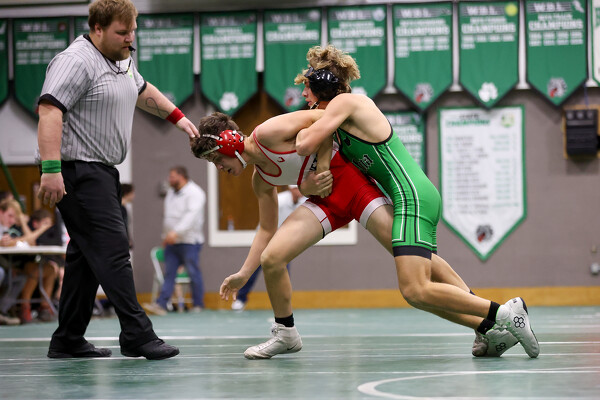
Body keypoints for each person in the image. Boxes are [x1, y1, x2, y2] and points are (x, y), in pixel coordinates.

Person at [191, 111, 507, 360]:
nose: (218, 167)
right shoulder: (261, 180)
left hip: (351, 185)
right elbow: (266, 229)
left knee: (414, 257)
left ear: (230, 142)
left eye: (217, 159)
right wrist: (244, 273)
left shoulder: (268, 133)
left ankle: (486, 319)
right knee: (272, 258)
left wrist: (320, 169)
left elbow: (325, 119)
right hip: (324, 202)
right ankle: (285, 333)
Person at [294, 45, 538, 358]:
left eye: (307, 86)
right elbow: (321, 170)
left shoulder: (345, 103)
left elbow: (304, 144)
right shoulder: (337, 120)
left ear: (322, 85)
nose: (303, 95)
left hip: (412, 197)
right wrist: (310, 179)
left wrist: (302, 122)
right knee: (426, 282)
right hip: (413, 196)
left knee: (414, 289)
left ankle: (506, 314)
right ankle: (488, 327)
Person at [35, 0, 197, 359]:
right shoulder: (75, 61)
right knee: (112, 250)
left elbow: (142, 90)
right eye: (122, 32)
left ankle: (68, 339)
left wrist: (179, 118)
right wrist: (51, 169)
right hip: (77, 170)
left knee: (86, 257)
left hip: (103, 171)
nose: (130, 38)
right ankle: (137, 334)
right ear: (97, 29)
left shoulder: (122, 58)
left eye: (133, 31)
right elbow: (49, 110)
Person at [231, 185, 306, 311]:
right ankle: (240, 299)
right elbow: (265, 226)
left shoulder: (304, 203)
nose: (300, 191)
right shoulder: (279, 200)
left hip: (284, 245)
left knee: (283, 274)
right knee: (252, 270)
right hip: (266, 242)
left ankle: (282, 305)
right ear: (290, 189)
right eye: (296, 188)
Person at [143, 166, 206, 315]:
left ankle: (198, 304)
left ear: (181, 176)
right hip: (172, 241)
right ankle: (161, 304)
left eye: (172, 176)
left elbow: (191, 216)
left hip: (189, 241)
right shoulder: (171, 192)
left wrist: (176, 232)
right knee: (169, 273)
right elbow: (169, 216)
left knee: (193, 272)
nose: (169, 179)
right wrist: (166, 236)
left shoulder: (195, 192)